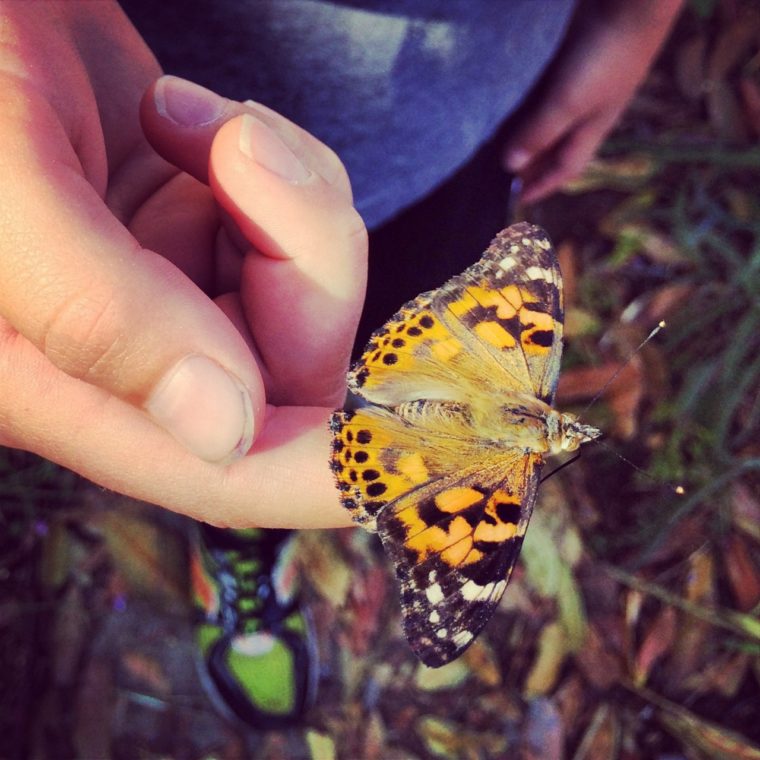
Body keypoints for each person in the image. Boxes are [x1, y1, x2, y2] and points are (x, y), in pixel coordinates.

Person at [0, 0, 683, 729]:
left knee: (276, 410)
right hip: (152, 93)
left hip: (451, 127)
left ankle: (248, 535)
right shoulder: (501, 495)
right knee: (242, 388)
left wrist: (637, 18)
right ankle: (240, 540)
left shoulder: (525, 357)